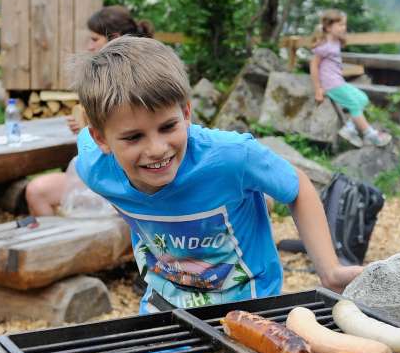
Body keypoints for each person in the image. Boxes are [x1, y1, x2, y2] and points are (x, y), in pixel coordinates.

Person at [72, 36, 363, 313]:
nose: (157, 149)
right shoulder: (95, 168)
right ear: (102, 139)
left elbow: (297, 184)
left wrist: (329, 270)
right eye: (134, 137)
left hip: (248, 306)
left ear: (186, 113)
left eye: (167, 127)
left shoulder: (231, 156)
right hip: (162, 305)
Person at [25, 6, 154, 217]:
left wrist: (90, 131)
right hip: (96, 170)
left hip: (127, 178)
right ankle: (55, 244)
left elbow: (134, 141)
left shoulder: (138, 78)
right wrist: (86, 130)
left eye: (94, 40)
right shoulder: (100, 77)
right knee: (37, 190)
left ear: (114, 37)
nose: (89, 46)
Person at [310, 10, 391, 147]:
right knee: (354, 104)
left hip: (338, 81)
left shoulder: (335, 42)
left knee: (362, 98)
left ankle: (349, 128)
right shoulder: (325, 46)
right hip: (331, 83)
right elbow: (314, 65)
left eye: (344, 25)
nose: (344, 28)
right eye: (340, 25)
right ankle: (370, 134)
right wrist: (318, 88)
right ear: (329, 27)